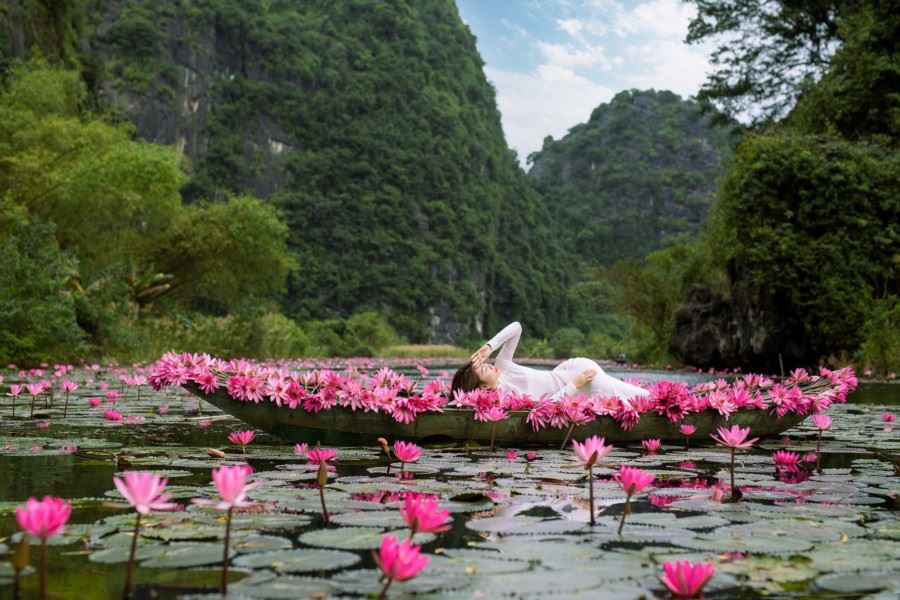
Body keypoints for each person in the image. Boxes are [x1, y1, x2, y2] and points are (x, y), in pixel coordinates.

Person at [451, 321, 649, 403]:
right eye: (484, 369)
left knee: (642, 397)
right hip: (579, 384)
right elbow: (546, 408)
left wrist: (489, 346)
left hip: (579, 375)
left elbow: (517, 327)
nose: (488, 364)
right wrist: (575, 384)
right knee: (636, 397)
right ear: (483, 388)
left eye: (484, 362)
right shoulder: (507, 402)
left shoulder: (502, 366)